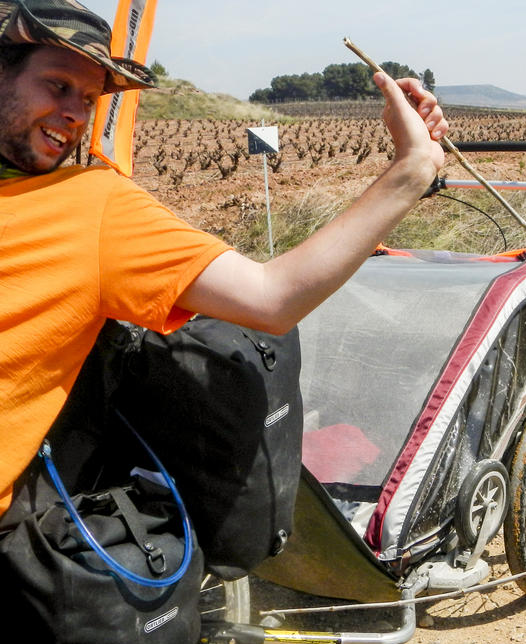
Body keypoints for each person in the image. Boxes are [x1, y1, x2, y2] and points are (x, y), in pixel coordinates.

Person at [0, 0, 449, 517]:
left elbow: (270, 297)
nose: (77, 112)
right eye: (58, 86)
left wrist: (411, 171)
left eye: (88, 96)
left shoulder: (91, 209)